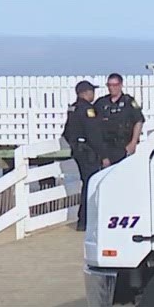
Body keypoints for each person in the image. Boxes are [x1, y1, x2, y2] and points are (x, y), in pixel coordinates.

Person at [61, 80, 103, 230]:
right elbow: (94, 134)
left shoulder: (73, 108)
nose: (93, 94)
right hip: (88, 152)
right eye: (92, 91)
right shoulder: (87, 109)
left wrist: (75, 145)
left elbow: (66, 133)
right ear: (85, 93)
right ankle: (84, 220)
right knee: (90, 185)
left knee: (86, 183)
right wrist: (103, 153)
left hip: (79, 151)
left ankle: (83, 220)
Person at [94, 73, 145, 165]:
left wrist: (133, 142)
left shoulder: (128, 102)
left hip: (123, 145)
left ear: (121, 85)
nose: (111, 88)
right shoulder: (101, 103)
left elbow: (139, 121)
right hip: (106, 146)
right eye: (109, 85)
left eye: (115, 85)